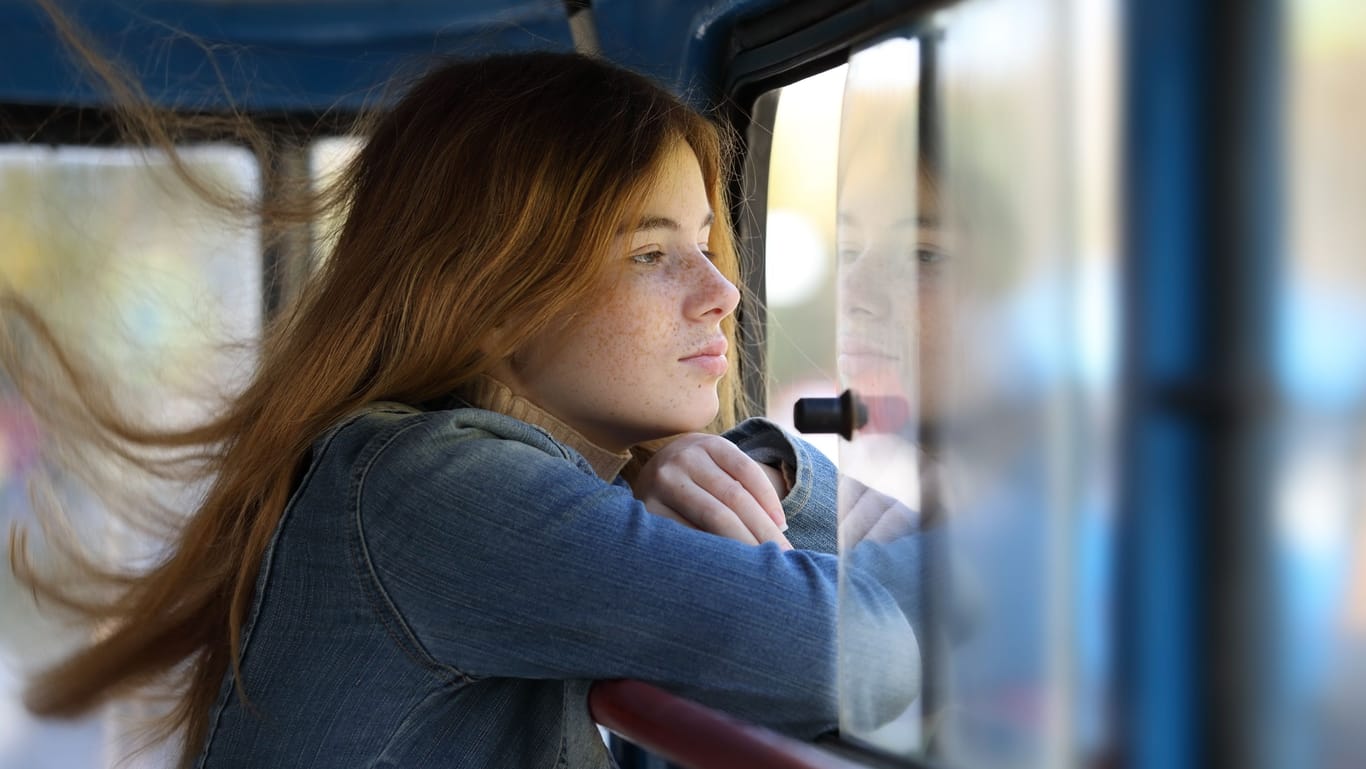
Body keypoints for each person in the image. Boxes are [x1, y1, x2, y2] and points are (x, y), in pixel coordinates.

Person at [4, 47, 932, 769]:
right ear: (492, 297)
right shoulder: (435, 486)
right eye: (652, 255)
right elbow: (865, 658)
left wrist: (727, 469)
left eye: (704, 243)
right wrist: (772, 474)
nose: (722, 290)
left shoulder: (483, 483)